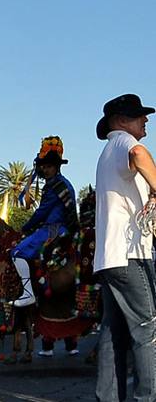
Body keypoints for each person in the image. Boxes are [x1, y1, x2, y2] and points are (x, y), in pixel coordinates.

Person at [94, 93, 156, 402]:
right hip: (129, 255)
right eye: (139, 115)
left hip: (108, 257)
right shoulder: (123, 142)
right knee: (147, 329)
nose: (146, 119)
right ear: (120, 121)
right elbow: (141, 156)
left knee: (113, 333)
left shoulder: (108, 151)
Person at [10, 136, 78, 307]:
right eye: (44, 167)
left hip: (52, 230)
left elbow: (41, 213)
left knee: (17, 253)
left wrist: (24, 228)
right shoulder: (64, 184)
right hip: (64, 230)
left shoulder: (54, 186)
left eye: (49, 167)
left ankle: (28, 294)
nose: (46, 170)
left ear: (56, 167)